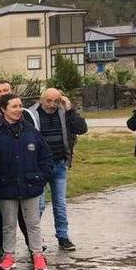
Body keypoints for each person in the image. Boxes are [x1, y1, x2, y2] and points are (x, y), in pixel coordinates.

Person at [0, 94, 53, 270]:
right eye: (14, 106)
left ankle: (38, 256)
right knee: (8, 224)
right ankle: (9, 256)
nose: (19, 109)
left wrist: (41, 177)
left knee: (32, 223)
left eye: (20, 106)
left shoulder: (30, 129)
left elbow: (45, 156)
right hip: (5, 187)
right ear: (3, 109)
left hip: (30, 186)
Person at [27, 88, 87, 251]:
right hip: (39, 167)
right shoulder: (31, 114)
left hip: (59, 164)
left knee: (60, 203)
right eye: (48, 100)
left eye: (56, 101)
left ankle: (63, 237)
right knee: (37, 206)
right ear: (41, 100)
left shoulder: (65, 112)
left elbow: (82, 129)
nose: (52, 105)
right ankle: (34, 240)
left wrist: (70, 109)